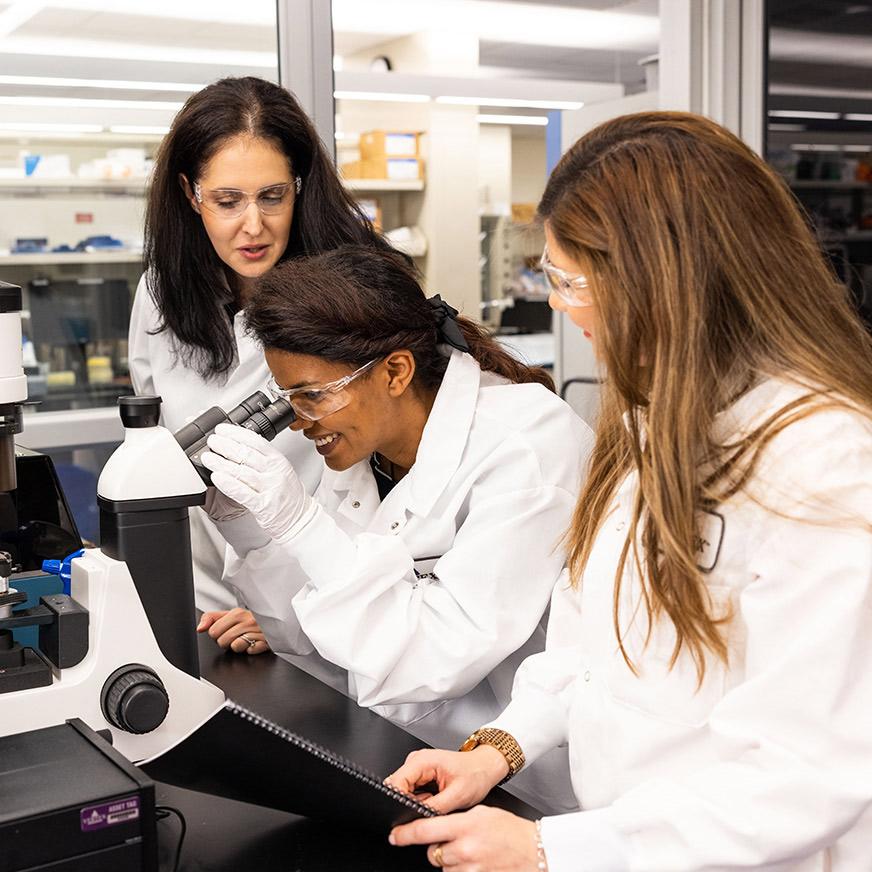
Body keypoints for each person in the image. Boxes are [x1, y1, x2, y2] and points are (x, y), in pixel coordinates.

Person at [386, 111, 872, 871]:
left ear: (663, 283)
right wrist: (497, 751)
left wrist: (552, 848)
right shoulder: (654, 417)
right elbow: (585, 646)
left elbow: (802, 771)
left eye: (570, 280)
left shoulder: (824, 460)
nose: (556, 303)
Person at [199, 244, 593, 813]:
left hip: (528, 784)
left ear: (395, 371)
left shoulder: (526, 448)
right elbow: (321, 630)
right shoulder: (371, 449)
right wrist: (248, 524)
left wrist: (301, 523)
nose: (302, 423)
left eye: (312, 396)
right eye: (289, 400)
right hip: (417, 755)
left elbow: (434, 658)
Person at [128, 76, 389, 614]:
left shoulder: (353, 290)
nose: (254, 226)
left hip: (324, 597)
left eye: (273, 196)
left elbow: (380, 478)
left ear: (300, 185)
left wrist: (278, 609)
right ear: (189, 193)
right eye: (228, 201)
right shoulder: (161, 293)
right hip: (201, 597)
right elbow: (158, 450)